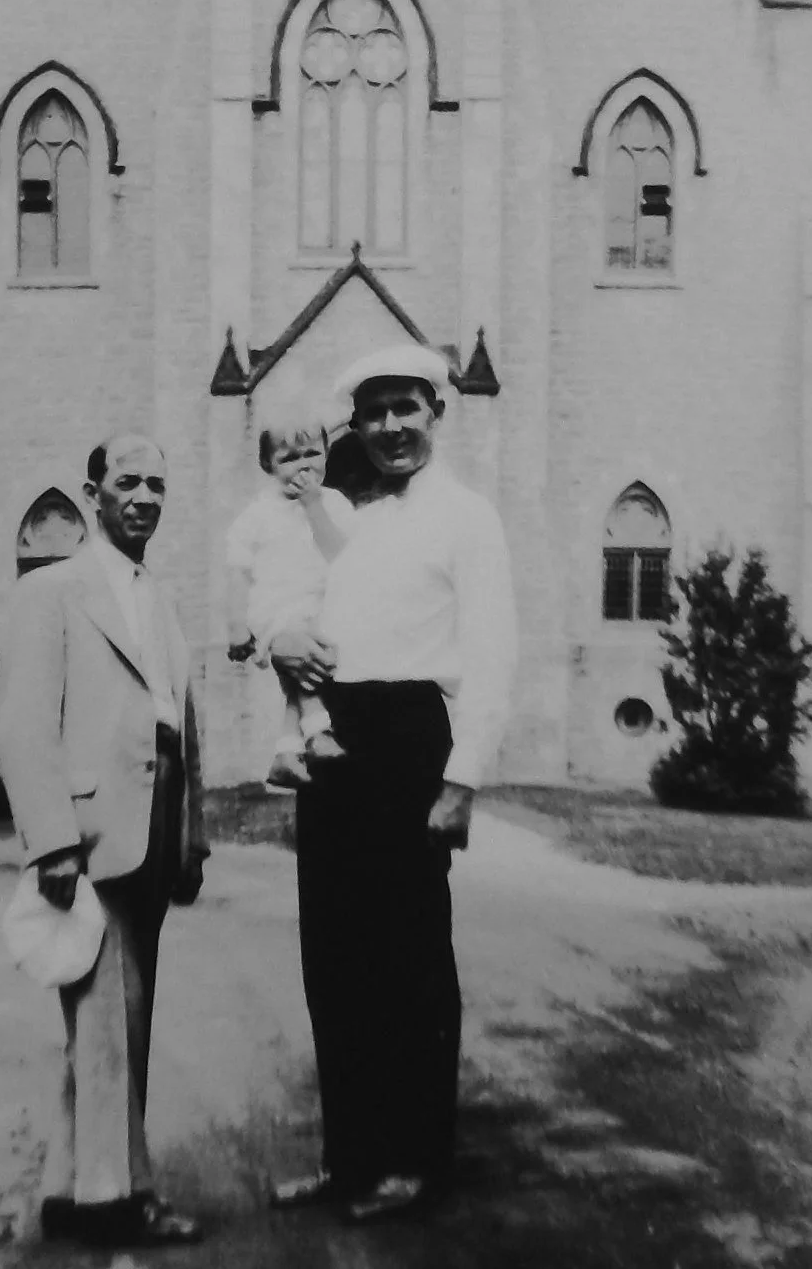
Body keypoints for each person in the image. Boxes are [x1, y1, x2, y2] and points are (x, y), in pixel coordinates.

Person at [268, 345, 518, 1225]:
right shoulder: (341, 514)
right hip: (337, 742)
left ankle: (415, 1160)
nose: (390, 428)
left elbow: (491, 652)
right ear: (356, 424)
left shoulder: (467, 517)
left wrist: (462, 782)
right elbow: (296, 603)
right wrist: (281, 643)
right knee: (334, 956)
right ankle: (350, 1158)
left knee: (409, 958)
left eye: (406, 408)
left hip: (414, 742)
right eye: (373, 413)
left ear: (435, 412)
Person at [0, 433, 208, 1248]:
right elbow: (22, 724)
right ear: (94, 493)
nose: (145, 497)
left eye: (158, 483)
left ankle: (70, 1184)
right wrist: (49, 841)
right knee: (110, 1020)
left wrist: (192, 837)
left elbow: (182, 723)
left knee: (114, 1021)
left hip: (152, 827)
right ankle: (121, 1201)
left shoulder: (158, 596)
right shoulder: (52, 591)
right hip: (89, 833)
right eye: (128, 482)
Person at [224, 411, 352, 788]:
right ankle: (317, 734)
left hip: (323, 605)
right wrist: (235, 625)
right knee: (305, 668)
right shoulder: (257, 515)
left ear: (327, 455)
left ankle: (285, 753)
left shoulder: (336, 504)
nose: (303, 467)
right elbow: (238, 570)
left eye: (311, 454)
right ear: (267, 465)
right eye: (288, 458)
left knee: (307, 671)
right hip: (276, 609)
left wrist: (315, 506)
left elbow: (343, 557)